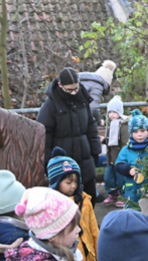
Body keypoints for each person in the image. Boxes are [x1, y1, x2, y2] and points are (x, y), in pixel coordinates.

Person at [37, 67, 101, 203]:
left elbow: (91, 126)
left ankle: (89, 224)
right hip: (63, 161)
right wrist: (48, 162)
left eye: (76, 88)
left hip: (85, 158)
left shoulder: (83, 100)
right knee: (67, 202)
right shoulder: (50, 105)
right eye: (69, 90)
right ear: (60, 85)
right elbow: (43, 136)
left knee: (89, 198)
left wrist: (95, 151)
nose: (73, 93)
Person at [47, 147, 100, 261]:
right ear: (56, 182)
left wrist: (99, 255)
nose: (74, 186)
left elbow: (94, 230)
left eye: (76, 181)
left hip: (90, 259)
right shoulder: (52, 206)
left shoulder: (85, 200)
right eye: (68, 182)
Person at [115, 109, 148, 204]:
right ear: (131, 133)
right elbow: (119, 164)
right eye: (135, 132)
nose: (139, 134)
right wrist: (129, 169)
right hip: (131, 194)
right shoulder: (126, 150)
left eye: (142, 130)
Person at [102, 96, 129, 207]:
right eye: (110, 112)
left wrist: (123, 156)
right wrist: (104, 140)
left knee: (121, 178)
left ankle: (123, 196)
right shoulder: (110, 124)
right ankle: (112, 193)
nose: (112, 114)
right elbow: (109, 139)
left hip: (120, 158)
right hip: (110, 158)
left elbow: (125, 141)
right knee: (108, 178)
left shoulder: (123, 125)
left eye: (115, 112)